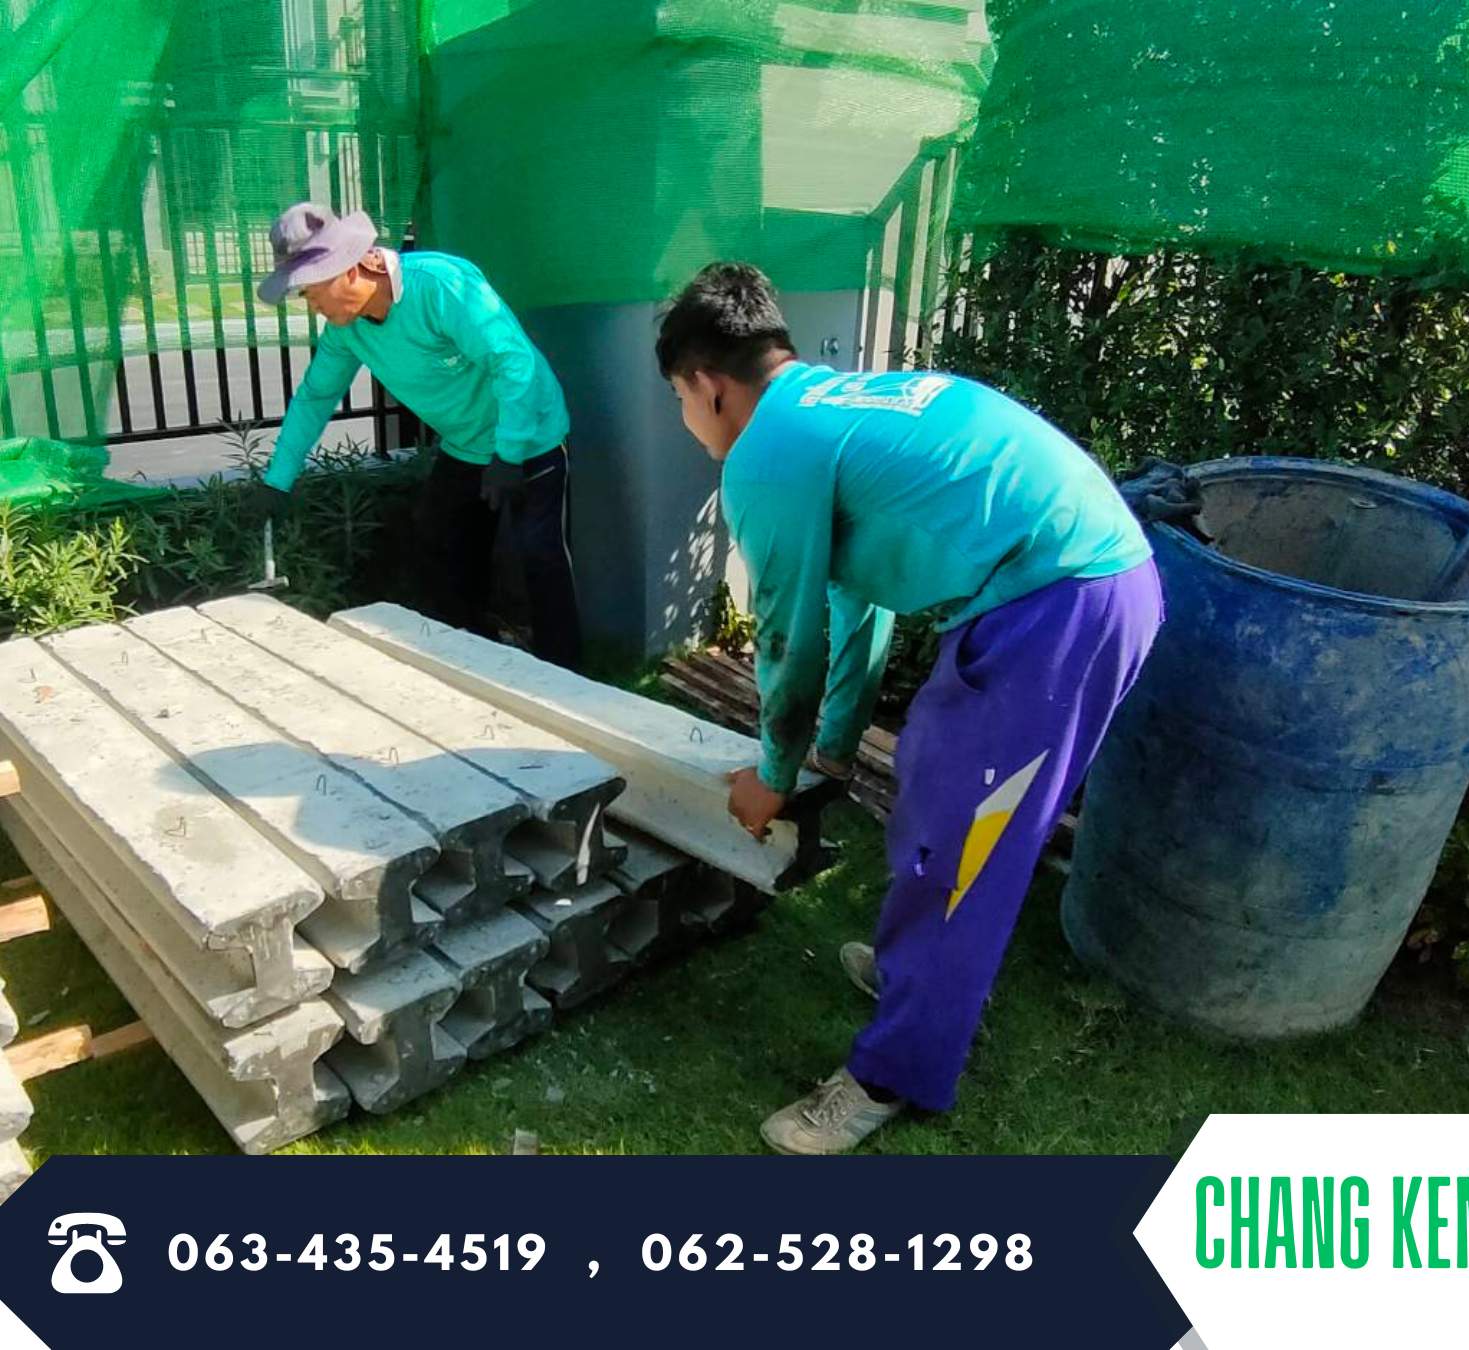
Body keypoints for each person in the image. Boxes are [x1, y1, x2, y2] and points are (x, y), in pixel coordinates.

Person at [656, 262, 1163, 1155]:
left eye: (679, 401)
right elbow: (856, 599)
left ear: (707, 384)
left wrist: (771, 778)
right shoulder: (828, 406)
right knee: (936, 799)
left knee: (966, 850)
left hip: (1062, 606)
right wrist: (833, 748)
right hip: (1060, 589)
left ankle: (892, 1074)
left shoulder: (767, 452)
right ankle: (912, 983)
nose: (688, 423)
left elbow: (788, 640)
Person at [253, 202, 582, 669]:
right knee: (440, 548)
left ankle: (568, 675)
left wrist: (509, 454)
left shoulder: (440, 286)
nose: (313, 306)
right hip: (465, 446)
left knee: (538, 555)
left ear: (347, 270)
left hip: (530, 436)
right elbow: (315, 397)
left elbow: (512, 361)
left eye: (311, 291)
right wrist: (278, 480)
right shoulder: (347, 331)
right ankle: (474, 659)